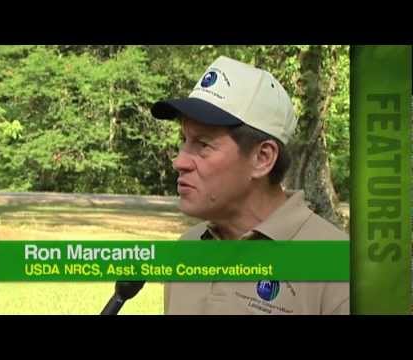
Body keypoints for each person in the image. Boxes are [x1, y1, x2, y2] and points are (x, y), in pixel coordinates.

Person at [150, 55, 349, 315]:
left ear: (262, 158)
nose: (179, 161)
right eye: (184, 140)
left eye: (203, 144)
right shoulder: (186, 249)